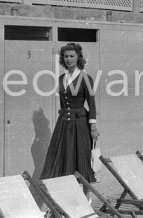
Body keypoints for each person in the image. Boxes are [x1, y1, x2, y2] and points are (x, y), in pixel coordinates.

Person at [41, 43, 99, 183]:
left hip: (80, 124)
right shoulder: (61, 78)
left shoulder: (86, 78)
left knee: (81, 158)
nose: (69, 59)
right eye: (66, 56)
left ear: (78, 57)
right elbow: (63, 103)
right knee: (63, 156)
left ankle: (87, 195)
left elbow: (91, 103)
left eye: (72, 56)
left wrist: (93, 127)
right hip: (64, 124)